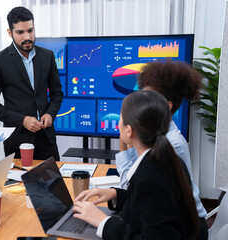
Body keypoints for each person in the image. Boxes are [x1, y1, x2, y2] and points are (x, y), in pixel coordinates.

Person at [73, 90, 200, 240]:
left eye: (120, 118)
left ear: (129, 130)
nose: (118, 123)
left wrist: (103, 222)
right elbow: (151, 207)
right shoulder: (165, 158)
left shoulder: (150, 176)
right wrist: (116, 195)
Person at [116, 59, 208, 239]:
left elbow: (133, 183)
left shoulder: (170, 144)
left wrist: (126, 134)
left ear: (166, 106)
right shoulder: (155, 138)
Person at [0, 6, 63, 161]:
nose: (27, 36)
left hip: (46, 138)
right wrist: (22, 120)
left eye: (31, 30)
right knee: (19, 185)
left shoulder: (47, 56)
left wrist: (50, 114)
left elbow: (57, 93)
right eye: (20, 32)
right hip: (17, 140)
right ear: (10, 33)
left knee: (54, 182)